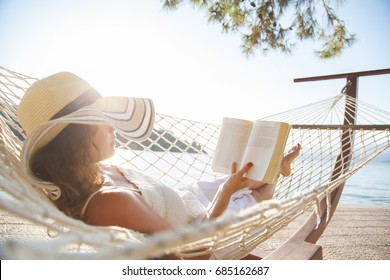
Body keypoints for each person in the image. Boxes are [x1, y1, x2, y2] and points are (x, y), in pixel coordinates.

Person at [18, 72, 300, 258]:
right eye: (102, 120)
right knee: (257, 195)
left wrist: (226, 188)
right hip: (202, 225)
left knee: (247, 180)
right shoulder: (110, 202)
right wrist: (225, 193)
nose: (114, 127)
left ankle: (277, 167)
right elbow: (193, 255)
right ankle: (277, 172)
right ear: (76, 137)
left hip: (188, 197)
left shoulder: (91, 172)